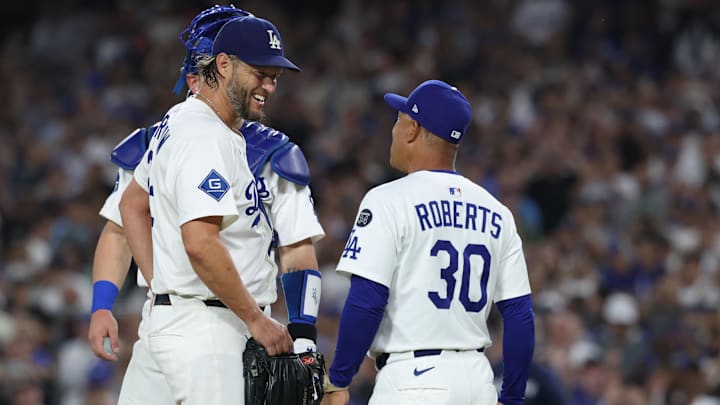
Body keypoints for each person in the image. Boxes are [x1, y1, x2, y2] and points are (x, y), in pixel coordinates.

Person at [115, 12, 320, 405]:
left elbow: (133, 203)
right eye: (260, 73)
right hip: (211, 332)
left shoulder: (178, 120)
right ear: (224, 65)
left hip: (167, 322)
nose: (270, 86)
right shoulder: (207, 135)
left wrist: (161, 283)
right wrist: (255, 318)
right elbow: (200, 243)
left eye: (275, 77)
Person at [321, 80, 535, 405]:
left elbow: (367, 299)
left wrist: (338, 379)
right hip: (478, 382)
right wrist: (514, 397)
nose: (393, 130)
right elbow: (519, 314)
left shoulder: (388, 200)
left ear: (412, 129)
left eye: (398, 120)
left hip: (414, 380)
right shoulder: (497, 211)